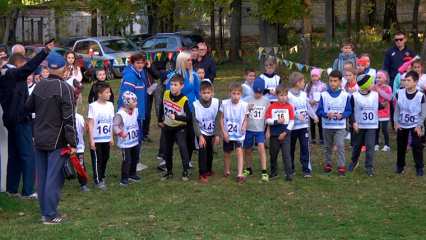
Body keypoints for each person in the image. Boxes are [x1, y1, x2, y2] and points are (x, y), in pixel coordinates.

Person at [25, 48, 76, 224]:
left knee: (43, 177)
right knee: (53, 178)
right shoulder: (65, 88)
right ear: (62, 69)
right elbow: (69, 119)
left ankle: (45, 212)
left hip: (39, 137)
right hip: (57, 139)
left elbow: (28, 107)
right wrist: (73, 142)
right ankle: (51, 215)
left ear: (48, 68)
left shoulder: (39, 85)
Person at [4, 53, 38, 199]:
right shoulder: (16, 78)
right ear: (18, 65)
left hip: (11, 121)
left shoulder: (7, 77)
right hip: (21, 121)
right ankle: (28, 190)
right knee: (28, 156)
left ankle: (11, 189)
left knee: (14, 156)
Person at [163, 51, 200, 168]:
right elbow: (168, 94)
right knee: (173, 139)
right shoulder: (173, 78)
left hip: (190, 111)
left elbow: (197, 93)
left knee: (190, 137)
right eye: (188, 60)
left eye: (191, 60)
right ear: (182, 62)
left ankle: (188, 161)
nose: (191, 62)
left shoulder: (194, 76)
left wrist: (199, 107)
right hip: (175, 112)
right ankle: (166, 160)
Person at [316, 70, 352, 176]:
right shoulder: (324, 95)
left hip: (340, 126)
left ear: (340, 82)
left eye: (335, 81)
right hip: (327, 126)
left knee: (340, 145)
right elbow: (319, 111)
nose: (332, 83)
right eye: (331, 81)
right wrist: (327, 114)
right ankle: (328, 164)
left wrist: (343, 115)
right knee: (327, 146)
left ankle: (341, 166)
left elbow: (349, 110)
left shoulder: (345, 95)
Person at [117, 53, 148, 171]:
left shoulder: (140, 73)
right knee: (133, 139)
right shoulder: (131, 76)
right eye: (138, 63)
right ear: (132, 63)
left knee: (137, 138)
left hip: (138, 111)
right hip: (132, 114)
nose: (140, 65)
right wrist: (127, 114)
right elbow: (126, 96)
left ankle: (135, 162)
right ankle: (132, 164)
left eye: (142, 63)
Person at [158, 74, 192, 181]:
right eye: (171, 84)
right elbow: (161, 106)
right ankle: (169, 172)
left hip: (179, 128)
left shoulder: (184, 100)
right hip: (167, 127)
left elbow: (189, 118)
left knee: (182, 147)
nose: (172, 87)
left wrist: (176, 116)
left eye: (175, 85)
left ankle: (186, 170)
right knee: (167, 150)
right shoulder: (166, 93)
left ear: (181, 86)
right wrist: (160, 119)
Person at [394, 71, 426, 176]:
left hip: (415, 124)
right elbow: (397, 109)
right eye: (405, 80)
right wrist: (396, 122)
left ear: (415, 82)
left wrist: (419, 125)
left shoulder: (421, 96)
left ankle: (419, 167)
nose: (406, 82)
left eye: (409, 80)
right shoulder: (399, 92)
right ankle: (400, 166)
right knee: (401, 146)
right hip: (402, 124)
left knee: (417, 146)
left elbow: (423, 112)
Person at [288, 72, 319, 177]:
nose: (304, 83)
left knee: (305, 147)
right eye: (302, 81)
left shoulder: (304, 94)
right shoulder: (288, 95)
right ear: (297, 83)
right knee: (290, 148)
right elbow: (289, 109)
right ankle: (290, 168)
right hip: (292, 127)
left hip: (303, 127)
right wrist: (296, 116)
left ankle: (306, 169)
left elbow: (308, 107)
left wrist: (314, 116)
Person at [348, 75, 379, 176]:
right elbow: (351, 111)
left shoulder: (375, 95)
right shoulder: (354, 96)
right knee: (357, 146)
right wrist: (353, 122)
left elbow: (376, 106)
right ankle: (354, 161)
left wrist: (384, 106)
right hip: (359, 126)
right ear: (365, 85)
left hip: (371, 126)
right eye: (371, 83)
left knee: (370, 146)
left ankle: (369, 167)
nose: (372, 84)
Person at [87, 82, 115, 190]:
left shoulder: (110, 105)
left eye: (109, 92)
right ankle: (97, 180)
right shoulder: (93, 106)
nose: (109, 94)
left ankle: (102, 176)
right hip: (96, 138)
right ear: (99, 94)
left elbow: (111, 122)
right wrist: (91, 139)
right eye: (107, 92)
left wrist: (111, 137)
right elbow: (90, 123)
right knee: (97, 159)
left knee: (105, 158)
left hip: (106, 137)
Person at [192, 80, 221, 183]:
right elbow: (194, 122)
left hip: (212, 132)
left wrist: (217, 134)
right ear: (200, 93)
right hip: (201, 132)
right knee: (203, 152)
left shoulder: (217, 103)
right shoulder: (195, 105)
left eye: (208, 93)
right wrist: (199, 136)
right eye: (204, 93)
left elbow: (218, 119)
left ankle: (209, 170)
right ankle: (202, 173)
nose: (206, 95)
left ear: (212, 93)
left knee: (210, 152)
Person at [220, 82, 248, 183]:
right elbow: (221, 119)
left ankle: (239, 174)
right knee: (227, 152)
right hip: (228, 133)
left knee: (239, 151)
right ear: (230, 93)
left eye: (238, 94)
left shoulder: (244, 105)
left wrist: (244, 125)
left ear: (241, 94)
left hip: (239, 134)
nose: (236, 96)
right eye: (234, 93)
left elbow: (246, 118)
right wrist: (224, 132)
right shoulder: (224, 103)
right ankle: (227, 170)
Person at [265, 84, 295, 181]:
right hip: (274, 135)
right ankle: (274, 173)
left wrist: (285, 132)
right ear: (277, 96)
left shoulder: (289, 107)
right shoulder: (272, 106)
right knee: (273, 154)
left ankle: (289, 173)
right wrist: (276, 121)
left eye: (285, 95)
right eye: (281, 95)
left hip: (285, 135)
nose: (283, 97)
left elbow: (292, 121)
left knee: (286, 154)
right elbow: (267, 120)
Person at [242, 77, 269, 182]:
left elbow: (268, 117)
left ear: (263, 91)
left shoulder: (266, 101)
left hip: (260, 130)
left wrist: (268, 130)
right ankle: (248, 168)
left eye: (260, 92)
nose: (257, 94)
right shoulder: (247, 100)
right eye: (255, 92)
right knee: (247, 150)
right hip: (249, 129)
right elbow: (243, 113)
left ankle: (264, 171)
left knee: (261, 148)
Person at [114, 91, 140, 187]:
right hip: (125, 143)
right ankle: (124, 178)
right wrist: (120, 133)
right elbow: (115, 126)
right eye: (134, 101)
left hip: (134, 140)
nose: (136, 103)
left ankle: (132, 174)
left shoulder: (135, 110)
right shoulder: (120, 114)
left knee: (135, 158)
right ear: (127, 102)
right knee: (127, 160)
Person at [306, 68, 327, 144]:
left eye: (316, 76)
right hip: (311, 109)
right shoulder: (308, 85)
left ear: (319, 77)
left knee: (320, 124)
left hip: (320, 108)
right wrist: (310, 101)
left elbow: (325, 96)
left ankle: (322, 138)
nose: (314, 78)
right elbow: (305, 96)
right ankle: (313, 138)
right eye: (312, 76)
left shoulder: (323, 85)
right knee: (312, 124)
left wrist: (318, 101)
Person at [374, 71, 392, 152]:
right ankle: (376, 144)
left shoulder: (388, 88)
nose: (377, 79)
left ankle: (387, 145)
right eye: (377, 77)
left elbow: (389, 98)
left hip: (385, 112)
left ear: (385, 79)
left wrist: (379, 90)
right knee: (376, 129)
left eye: (379, 77)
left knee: (384, 129)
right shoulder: (374, 87)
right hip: (376, 112)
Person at [75, 110, 89, 192]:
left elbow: (85, 130)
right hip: (65, 147)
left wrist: (87, 127)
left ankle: (83, 184)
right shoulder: (61, 116)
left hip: (79, 147)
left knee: (80, 166)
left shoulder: (79, 117)